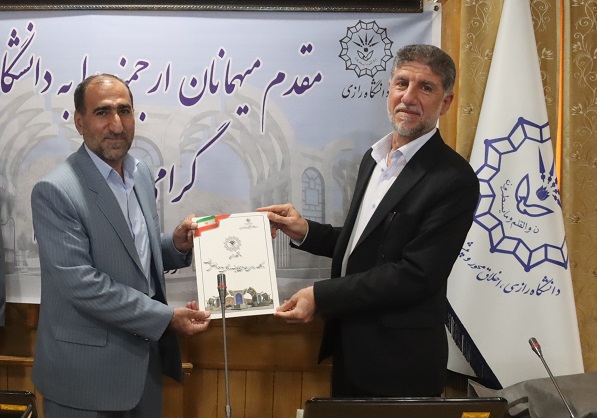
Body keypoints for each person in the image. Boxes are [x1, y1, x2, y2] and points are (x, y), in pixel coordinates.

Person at [258, 44, 479, 397]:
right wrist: (306, 231)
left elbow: (416, 275)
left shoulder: (454, 179)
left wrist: (321, 296)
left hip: (402, 364)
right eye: (402, 83)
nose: (409, 97)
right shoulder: (374, 159)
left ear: (446, 102)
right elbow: (368, 245)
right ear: (389, 88)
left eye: (425, 87)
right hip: (351, 350)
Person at [31, 74, 211, 418]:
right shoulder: (55, 190)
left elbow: (132, 253)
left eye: (124, 111)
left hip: (143, 371)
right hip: (84, 382)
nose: (116, 125)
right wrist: (166, 318)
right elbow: (83, 285)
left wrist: (175, 245)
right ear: (80, 122)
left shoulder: (140, 173)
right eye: (102, 112)